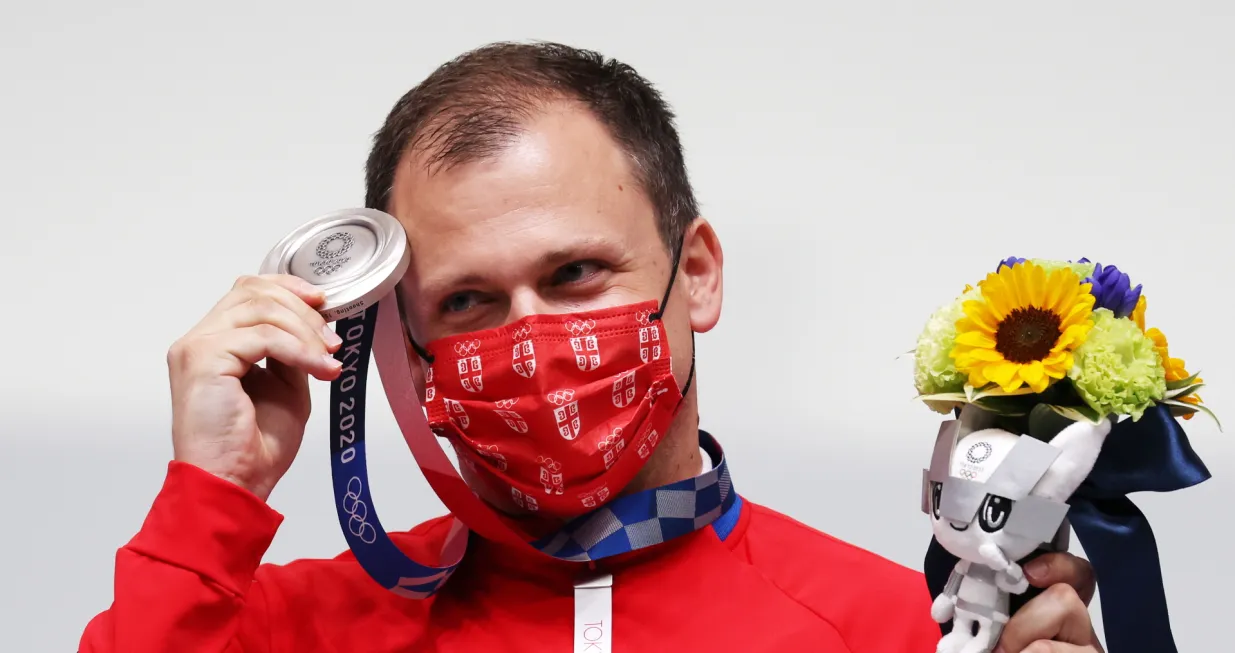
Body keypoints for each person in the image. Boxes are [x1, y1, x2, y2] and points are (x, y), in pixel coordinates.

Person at [79, 41, 1104, 652]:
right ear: (401, 334)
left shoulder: (889, 625)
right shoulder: (283, 626)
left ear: (693, 273)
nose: (528, 335)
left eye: (574, 274)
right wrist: (212, 495)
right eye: (470, 298)